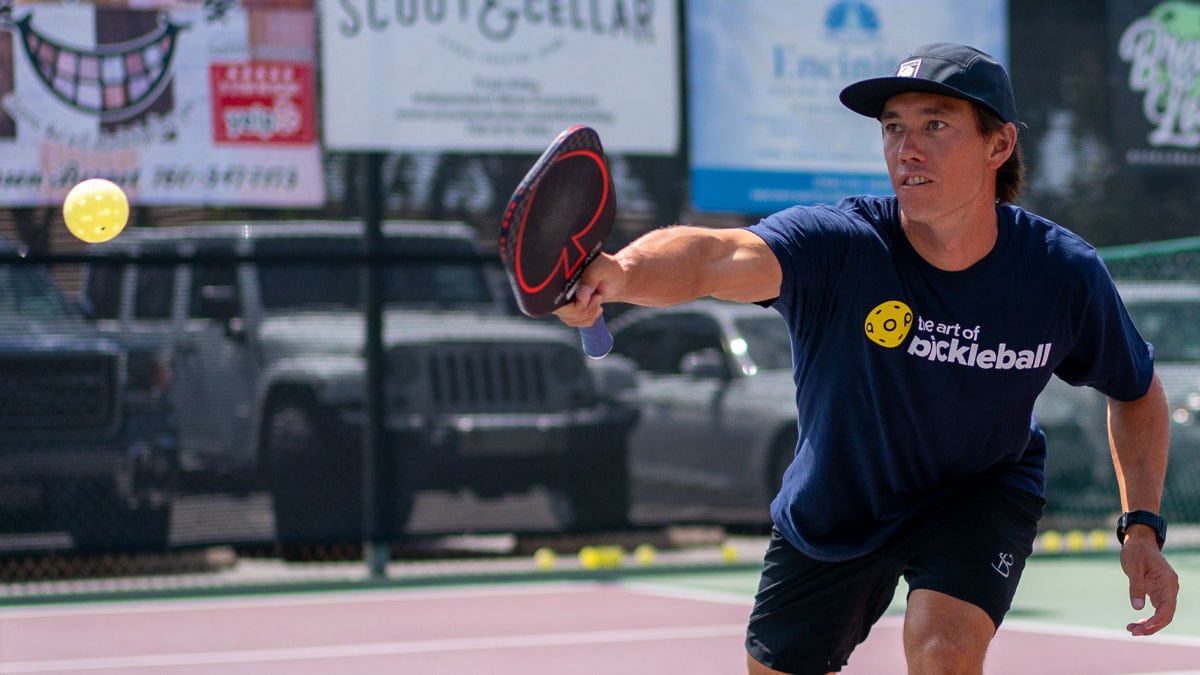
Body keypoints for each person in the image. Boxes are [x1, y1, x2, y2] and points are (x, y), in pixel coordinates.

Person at [554, 43, 1180, 674]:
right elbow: (714, 257)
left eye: (935, 125)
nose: (907, 149)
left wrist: (1142, 526)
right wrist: (621, 272)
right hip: (838, 501)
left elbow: (1135, 389)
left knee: (944, 650)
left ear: (999, 146)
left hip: (979, 490)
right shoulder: (838, 245)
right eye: (893, 128)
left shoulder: (1061, 274)